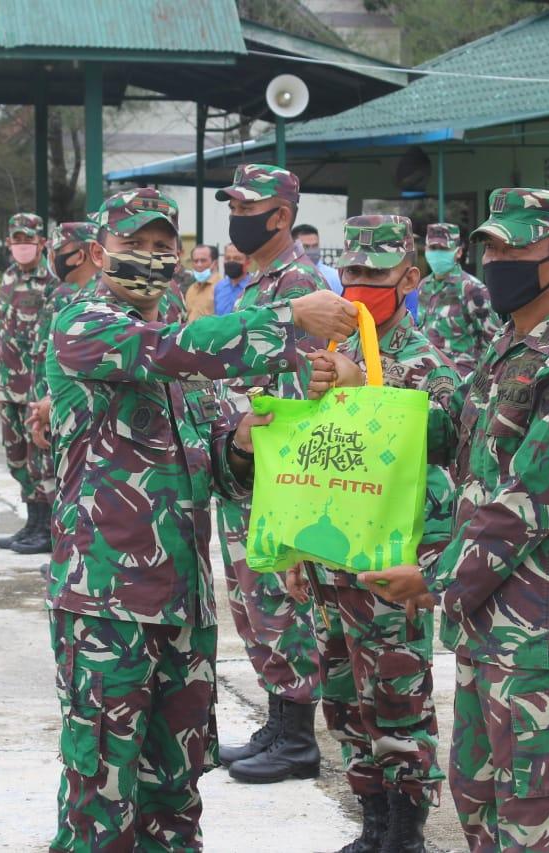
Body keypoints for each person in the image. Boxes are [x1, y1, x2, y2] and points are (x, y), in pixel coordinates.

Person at [43, 187, 357, 852]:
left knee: (176, 794)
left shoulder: (188, 363)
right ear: (101, 252)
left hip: (183, 609)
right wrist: (290, 317)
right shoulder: (86, 328)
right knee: (101, 798)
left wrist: (243, 439)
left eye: (163, 248)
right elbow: (168, 348)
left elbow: (216, 458)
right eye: (134, 246)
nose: (150, 260)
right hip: (107, 607)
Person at [361, 188, 549, 852]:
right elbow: (457, 437)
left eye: (517, 247)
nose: (497, 259)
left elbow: (525, 503)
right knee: (477, 802)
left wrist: (433, 579)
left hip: (537, 631)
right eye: (494, 246)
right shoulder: (513, 345)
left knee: (537, 819)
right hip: (485, 623)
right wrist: (368, 394)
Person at [287, 214, 457, 852]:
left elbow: (440, 452)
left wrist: (369, 396)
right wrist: (300, 546)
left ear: (409, 278)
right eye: (350, 272)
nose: (358, 286)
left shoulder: (425, 361)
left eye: (375, 274)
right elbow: (312, 459)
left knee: (396, 696)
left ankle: (406, 829)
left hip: (391, 561)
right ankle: (372, 820)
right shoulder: (329, 356)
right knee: (343, 697)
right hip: (332, 556)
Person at [212, 163, 332, 785]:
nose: (235, 215)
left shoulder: (301, 283)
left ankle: (296, 738)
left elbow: (310, 389)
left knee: (280, 604)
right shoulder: (261, 283)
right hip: (247, 467)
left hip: (278, 477)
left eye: (245, 205)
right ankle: (279, 722)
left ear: (280, 215)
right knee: (252, 605)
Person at [0, 212, 55, 552]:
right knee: (15, 457)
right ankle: (31, 523)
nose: (22, 246)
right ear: (8, 243)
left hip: (34, 387)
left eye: (28, 240)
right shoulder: (8, 276)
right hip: (7, 385)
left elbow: (51, 341)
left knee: (39, 459)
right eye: (17, 240)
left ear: (42, 242)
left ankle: (46, 529)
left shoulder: (52, 281)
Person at [27, 221, 102, 460]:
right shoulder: (77, 297)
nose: (52, 259)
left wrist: (52, 407)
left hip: (90, 429)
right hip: (63, 414)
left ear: (80, 255)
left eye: (57, 252)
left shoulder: (100, 301)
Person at [416, 221, 495, 378]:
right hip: (427, 375)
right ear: (425, 250)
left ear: (458, 252)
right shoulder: (424, 286)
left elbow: (492, 341)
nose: (437, 253)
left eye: (443, 249)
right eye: (433, 248)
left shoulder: (472, 289)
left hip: (461, 377)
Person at [292, 223, 344, 294]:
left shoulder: (334, 277)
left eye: (315, 246)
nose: (312, 250)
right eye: (306, 246)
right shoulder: (284, 276)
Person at [179, 243, 219, 321]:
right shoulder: (191, 289)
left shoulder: (221, 287)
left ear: (215, 263)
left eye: (203, 260)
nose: (199, 265)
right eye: (195, 261)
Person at [213, 243, 251, 314]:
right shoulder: (219, 287)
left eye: (237, 258)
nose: (231, 261)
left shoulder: (253, 287)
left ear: (248, 262)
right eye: (228, 258)